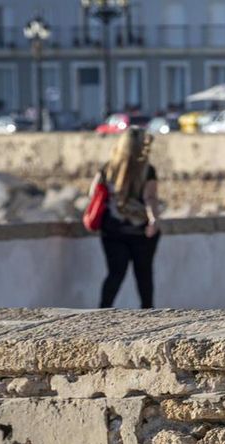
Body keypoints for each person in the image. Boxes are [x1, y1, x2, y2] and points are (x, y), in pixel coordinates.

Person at [88, 126, 162, 309]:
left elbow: (93, 193)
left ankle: (102, 312)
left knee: (115, 274)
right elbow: (149, 198)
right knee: (144, 274)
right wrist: (154, 220)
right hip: (140, 231)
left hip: (112, 229)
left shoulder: (108, 168)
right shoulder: (147, 170)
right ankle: (148, 313)